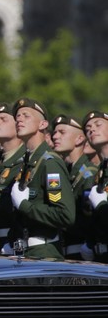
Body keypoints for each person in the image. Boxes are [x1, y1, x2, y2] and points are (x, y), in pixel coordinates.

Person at [0, 98, 74, 259]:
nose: (19, 119)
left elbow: (65, 215)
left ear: (42, 124)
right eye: (18, 117)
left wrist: (25, 206)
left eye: (26, 116)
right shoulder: (27, 164)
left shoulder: (49, 163)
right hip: (23, 253)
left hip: (44, 254)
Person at [50, 114, 97, 260]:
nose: (55, 136)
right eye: (55, 132)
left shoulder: (88, 174)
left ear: (79, 139)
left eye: (62, 132)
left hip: (81, 255)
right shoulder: (68, 172)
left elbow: (89, 221)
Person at [83, 110, 108, 261]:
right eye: (87, 129)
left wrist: (101, 206)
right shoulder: (100, 173)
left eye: (98, 124)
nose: (92, 129)